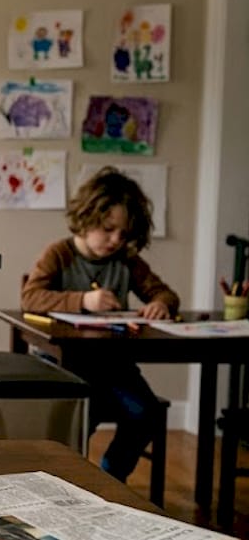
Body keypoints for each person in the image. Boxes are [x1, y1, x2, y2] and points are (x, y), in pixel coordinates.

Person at [20, 166, 178, 482]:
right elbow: (31, 297)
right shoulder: (59, 254)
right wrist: (83, 301)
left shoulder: (127, 261)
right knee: (80, 416)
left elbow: (164, 293)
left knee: (145, 414)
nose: (115, 240)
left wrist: (161, 303)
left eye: (123, 234)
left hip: (114, 366)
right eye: (108, 229)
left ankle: (109, 479)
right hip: (64, 366)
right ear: (88, 217)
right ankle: (67, 481)